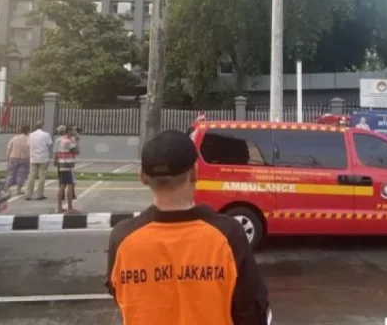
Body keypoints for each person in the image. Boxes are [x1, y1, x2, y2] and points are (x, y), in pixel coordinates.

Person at [105, 129, 271, 325]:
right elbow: (251, 312)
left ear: (142, 176)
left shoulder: (123, 238)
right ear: (194, 173)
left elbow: (120, 295)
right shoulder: (228, 235)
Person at [53, 125, 79, 213]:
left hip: (62, 164)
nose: (75, 132)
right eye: (73, 131)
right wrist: (77, 141)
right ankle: (70, 207)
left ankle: (60, 207)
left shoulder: (62, 140)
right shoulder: (68, 141)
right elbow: (77, 151)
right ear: (69, 132)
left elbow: (56, 152)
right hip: (68, 165)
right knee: (70, 185)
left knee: (62, 185)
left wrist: (56, 161)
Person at [25, 121, 52, 201]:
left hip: (33, 157)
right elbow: (49, 144)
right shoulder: (46, 134)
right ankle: (39, 194)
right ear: (42, 126)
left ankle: (28, 194)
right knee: (42, 176)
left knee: (32, 176)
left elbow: (29, 145)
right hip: (43, 157)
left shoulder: (31, 135)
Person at [4, 125, 31, 195]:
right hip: (24, 158)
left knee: (11, 173)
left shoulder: (14, 138)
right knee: (21, 174)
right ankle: (19, 190)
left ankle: (7, 188)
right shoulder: (29, 139)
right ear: (28, 131)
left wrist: (8, 157)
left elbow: (9, 148)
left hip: (13, 157)